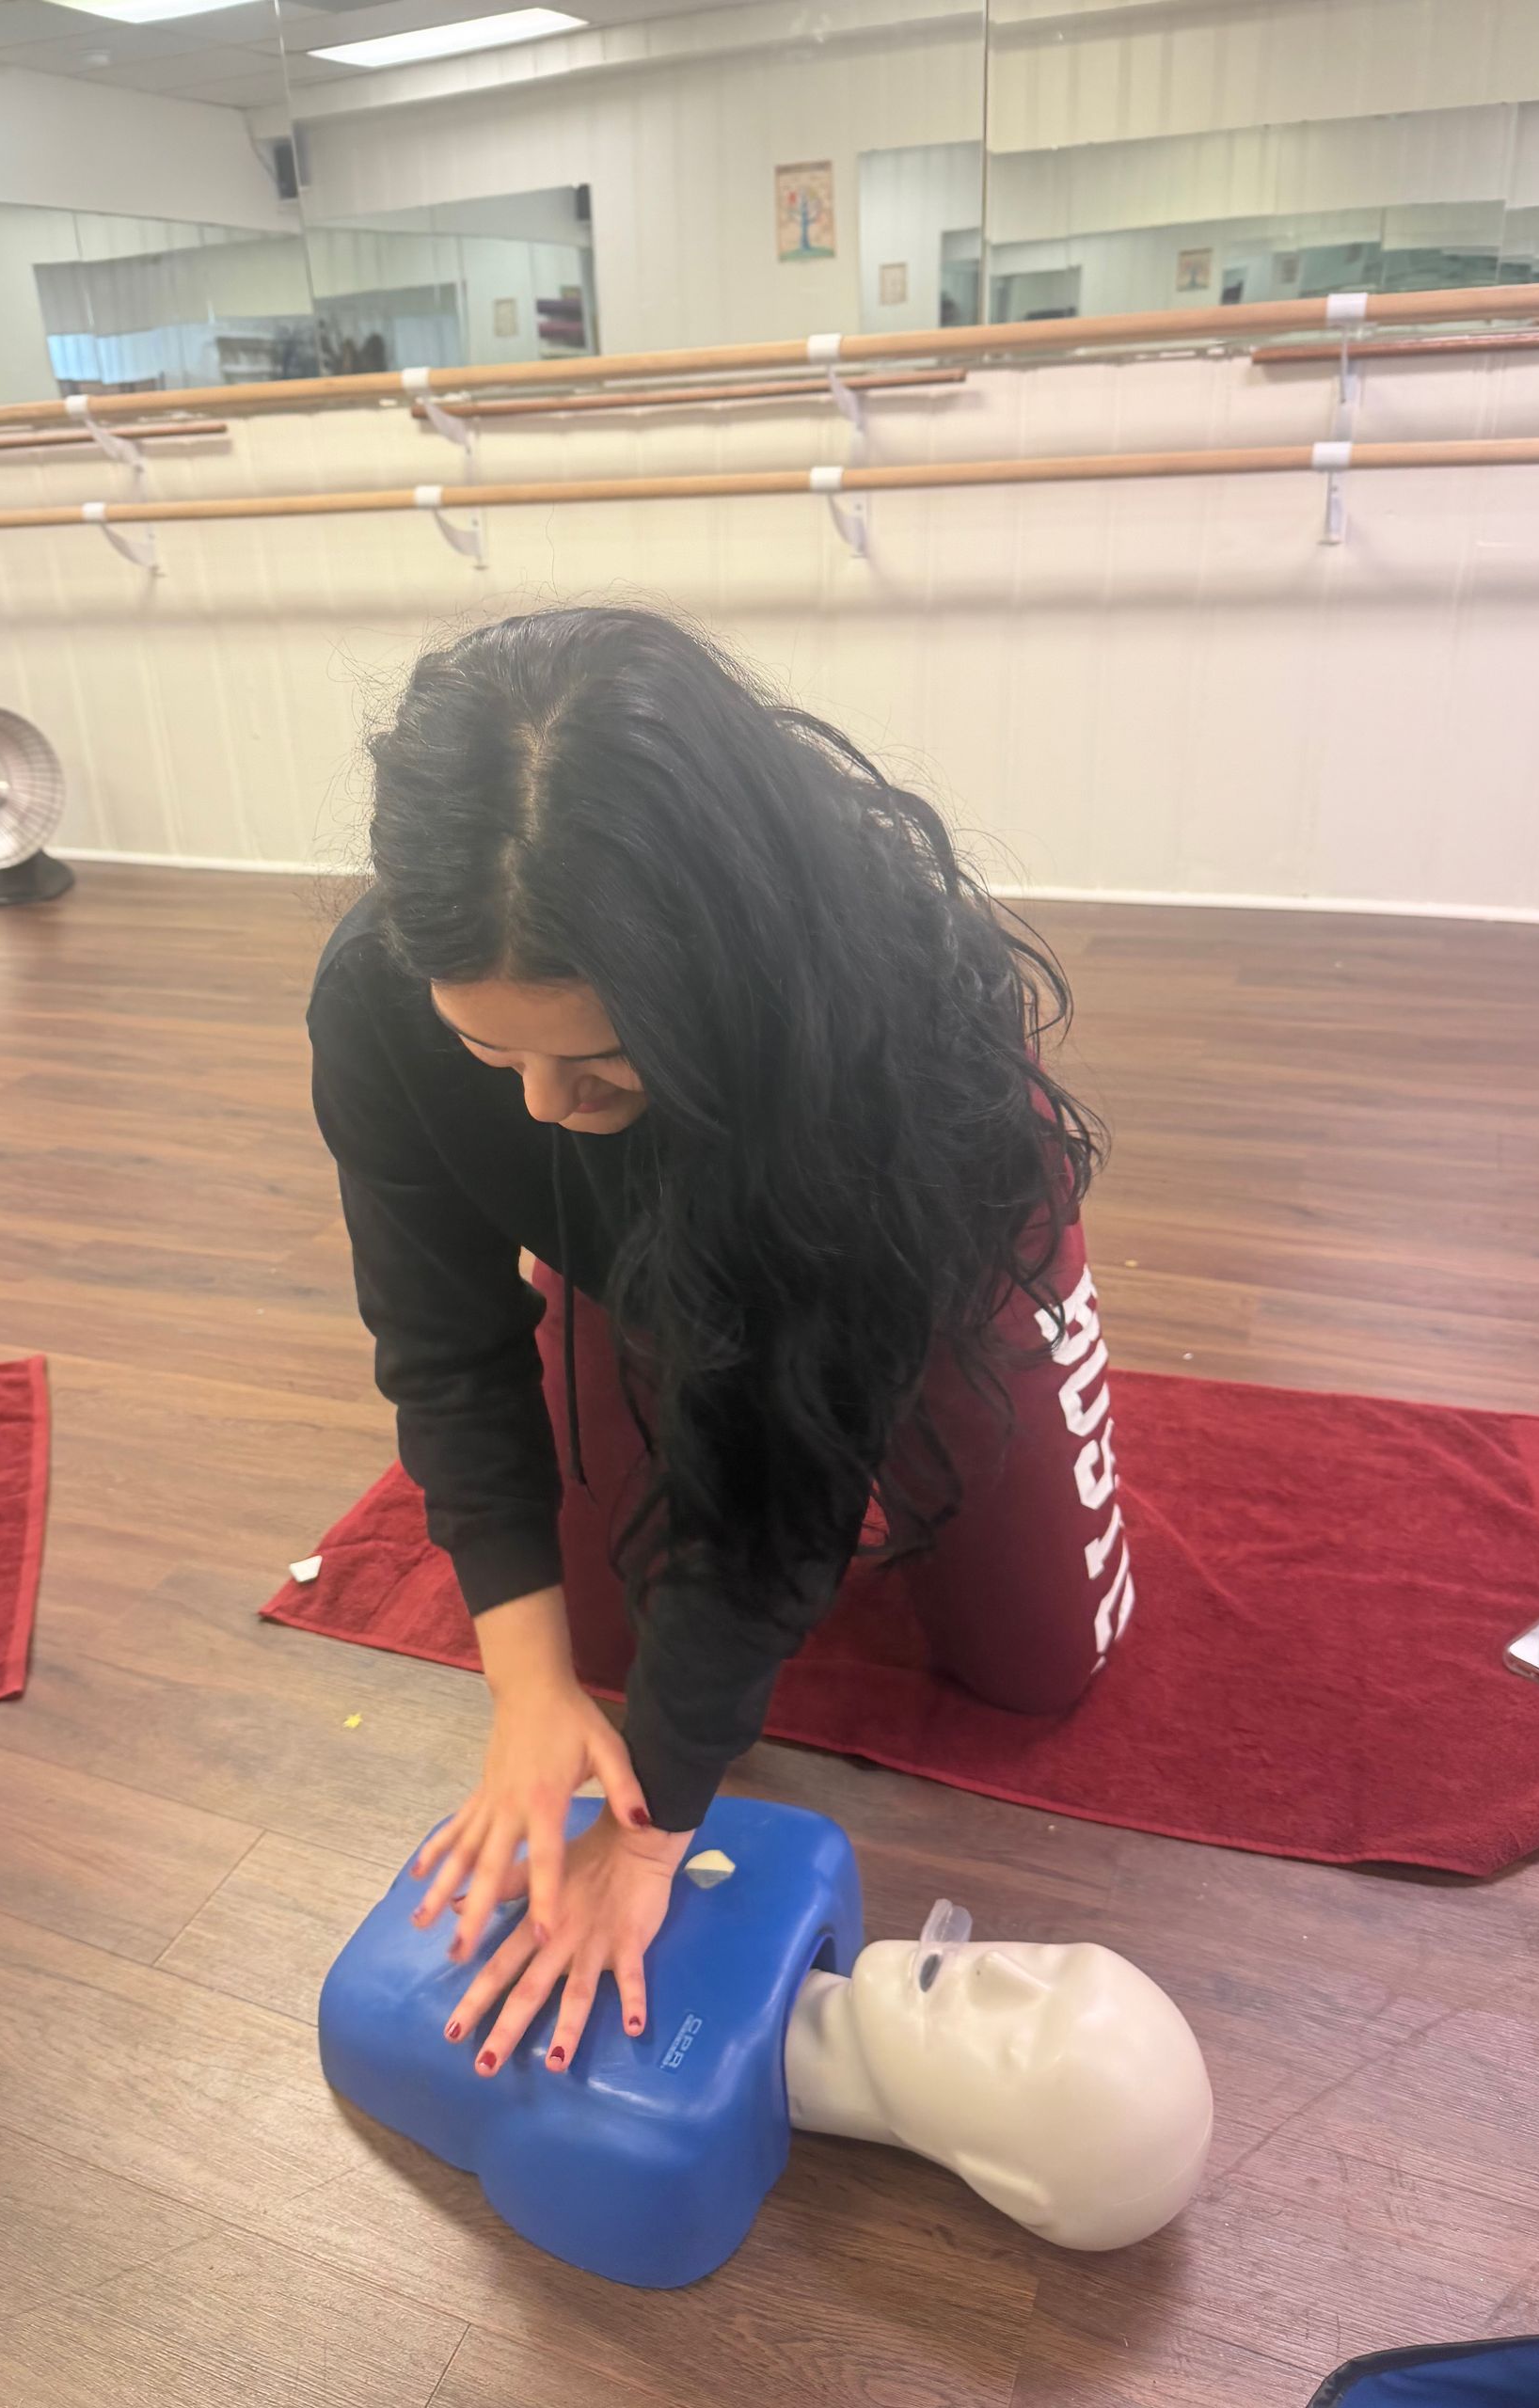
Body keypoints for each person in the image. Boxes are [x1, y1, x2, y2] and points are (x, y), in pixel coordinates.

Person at [308, 605, 1122, 2080]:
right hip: (653, 1237)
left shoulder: (890, 1016)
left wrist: (657, 1828)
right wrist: (529, 1689)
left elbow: (785, 1484)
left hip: (917, 1215)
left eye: (598, 1057)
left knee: (1038, 1669)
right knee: (605, 1648)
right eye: (491, 1054)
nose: (541, 1107)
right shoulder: (375, 1001)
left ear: (714, 985)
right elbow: (444, 1343)